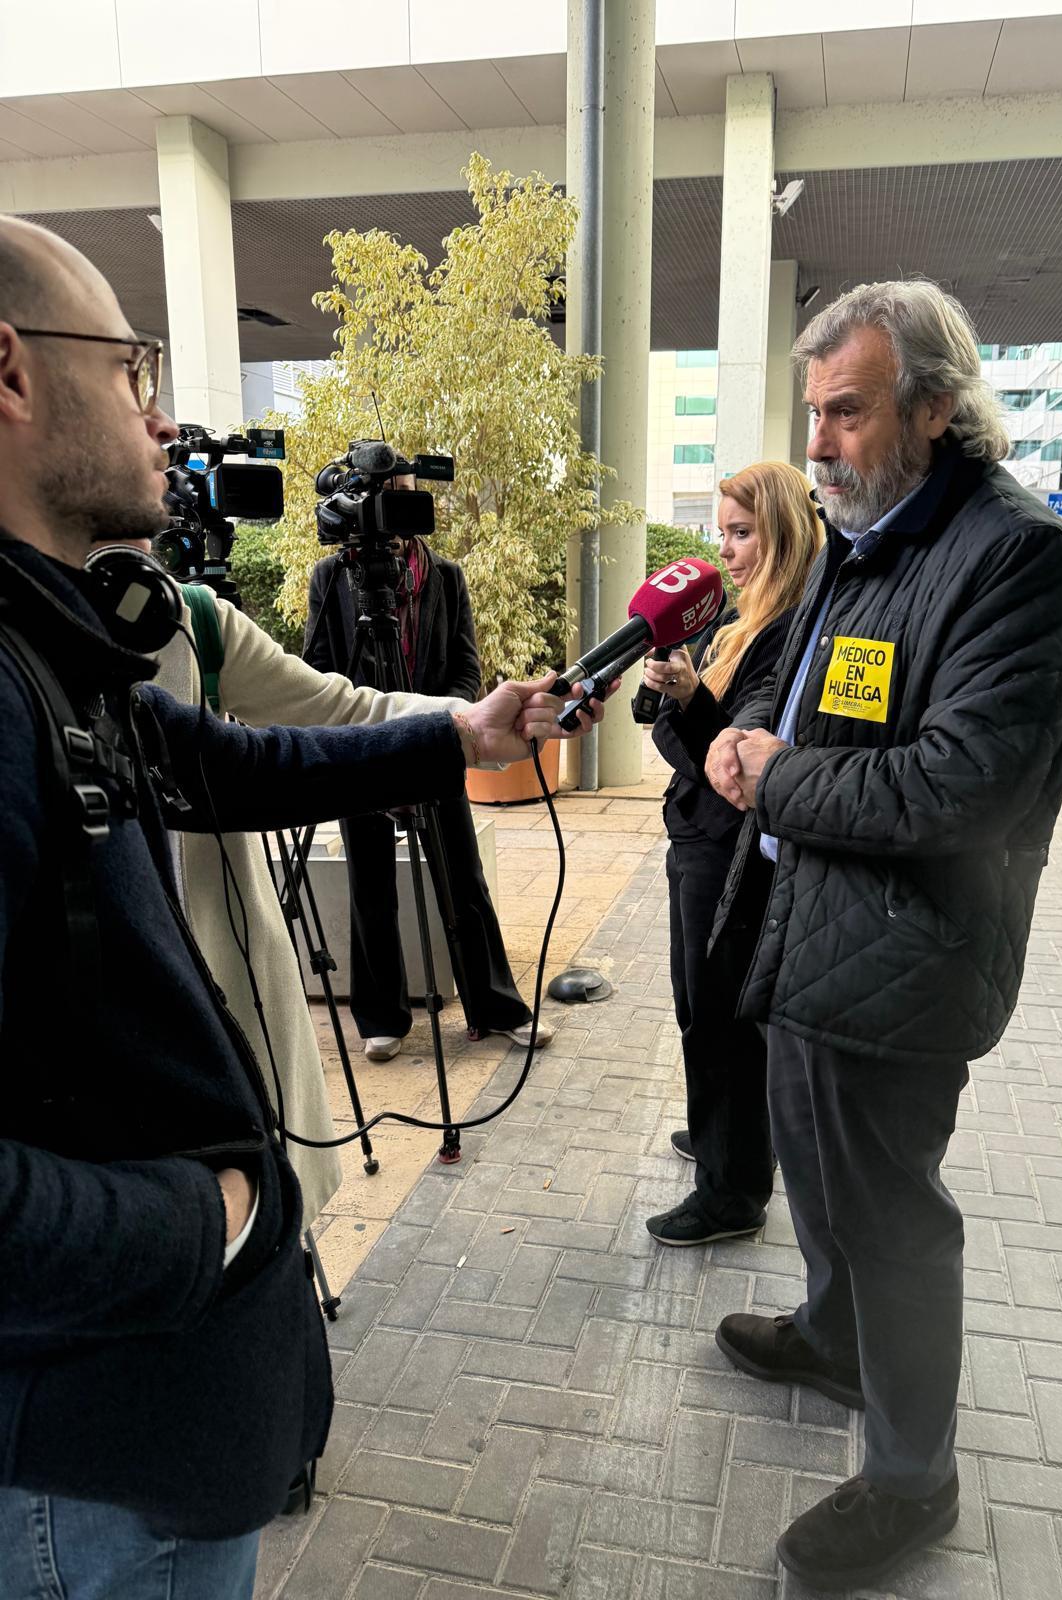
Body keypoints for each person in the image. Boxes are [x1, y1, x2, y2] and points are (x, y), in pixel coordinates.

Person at [0, 214, 600, 1596]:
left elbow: (222, 760)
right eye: (129, 367)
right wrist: (210, 1222)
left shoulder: (52, 635)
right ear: (15, 373)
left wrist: (455, 735)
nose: (159, 418)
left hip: (146, 1442)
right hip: (92, 1480)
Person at [704, 280, 1062, 1590]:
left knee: (895, 1221)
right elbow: (814, 702)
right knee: (818, 1177)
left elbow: (958, 789)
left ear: (937, 406)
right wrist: (730, 730)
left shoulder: (1015, 558)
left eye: (848, 413)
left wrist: (772, 776)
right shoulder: (876, 539)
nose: (818, 443)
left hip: (911, 959)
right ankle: (830, 1336)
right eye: (812, 413)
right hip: (816, 931)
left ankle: (913, 1480)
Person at [133, 569, 494, 1229]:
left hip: (234, 981)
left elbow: (321, 718)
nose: (161, 463)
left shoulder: (193, 620)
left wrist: (467, 727)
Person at [641, 461, 823, 1246]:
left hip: (729, 851)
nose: (730, 551)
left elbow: (735, 751)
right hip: (701, 839)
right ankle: (724, 1139)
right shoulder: (742, 619)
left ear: (781, 532)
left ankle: (732, 1191)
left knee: (713, 1015)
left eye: (742, 533)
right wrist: (667, 688)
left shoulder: (788, 629)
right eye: (723, 534)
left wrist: (691, 700)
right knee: (704, 1012)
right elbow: (684, 735)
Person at [306, 538, 550, 1060]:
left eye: (401, 493)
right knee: (369, 886)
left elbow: (465, 665)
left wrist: (440, 726)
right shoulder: (331, 575)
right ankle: (380, 1020)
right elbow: (318, 667)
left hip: (436, 743)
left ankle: (497, 1007)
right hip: (361, 746)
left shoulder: (445, 575)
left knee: (464, 878)